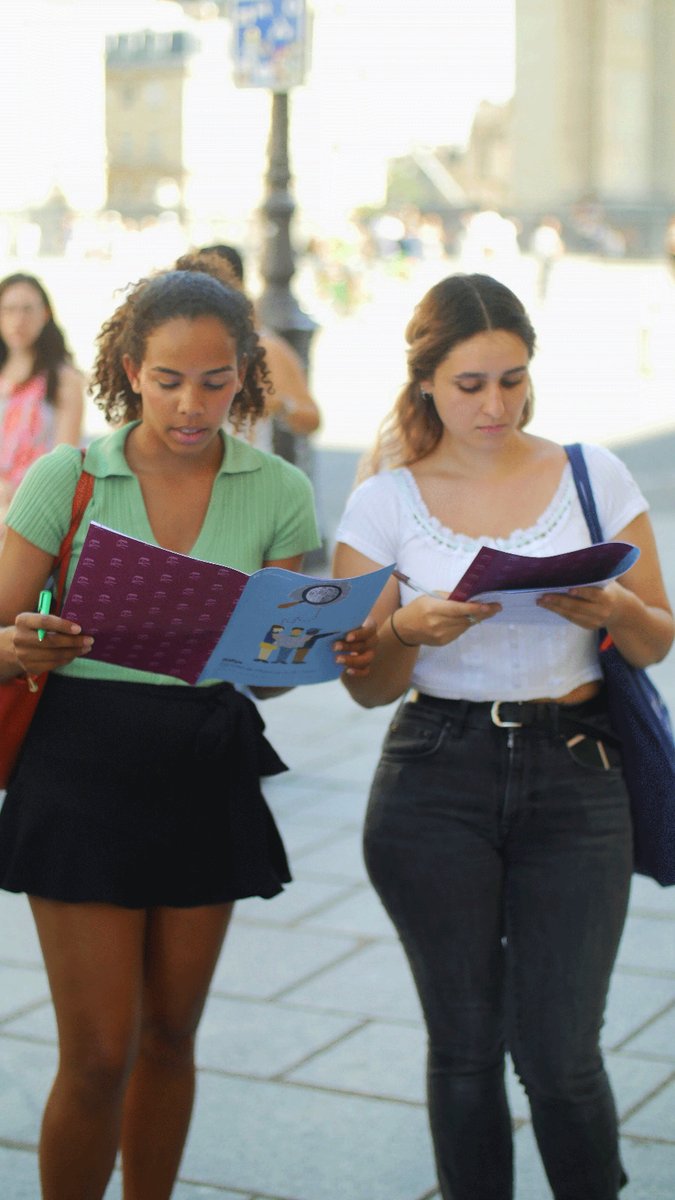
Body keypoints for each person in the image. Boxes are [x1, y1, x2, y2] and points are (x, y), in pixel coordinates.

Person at [0, 267, 375, 1200]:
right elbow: (0, 633)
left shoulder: (280, 490)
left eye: (215, 381)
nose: (190, 404)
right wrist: (22, 645)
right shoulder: (68, 476)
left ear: (245, 374)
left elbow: (271, 672)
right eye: (168, 380)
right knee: (98, 1052)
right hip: (80, 764)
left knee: (171, 1036)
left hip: (204, 758)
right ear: (132, 370)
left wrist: (323, 647)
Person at [332, 273, 674, 1200]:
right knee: (464, 1047)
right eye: (470, 384)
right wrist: (406, 630)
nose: (495, 404)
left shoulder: (591, 474)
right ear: (426, 382)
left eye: (512, 380)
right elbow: (365, 687)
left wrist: (614, 608)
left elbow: (655, 637)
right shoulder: (384, 502)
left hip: (577, 769)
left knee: (561, 1052)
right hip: (434, 773)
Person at [198, 244, 321, 452]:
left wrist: (281, 404)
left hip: (246, 466)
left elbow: (311, 419)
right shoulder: (177, 346)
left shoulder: (265, 347)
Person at [0, 272, 84, 535]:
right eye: (9, 310)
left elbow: (63, 462)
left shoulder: (64, 379)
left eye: (28, 309)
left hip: (33, 511)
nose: (18, 320)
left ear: (45, 314)